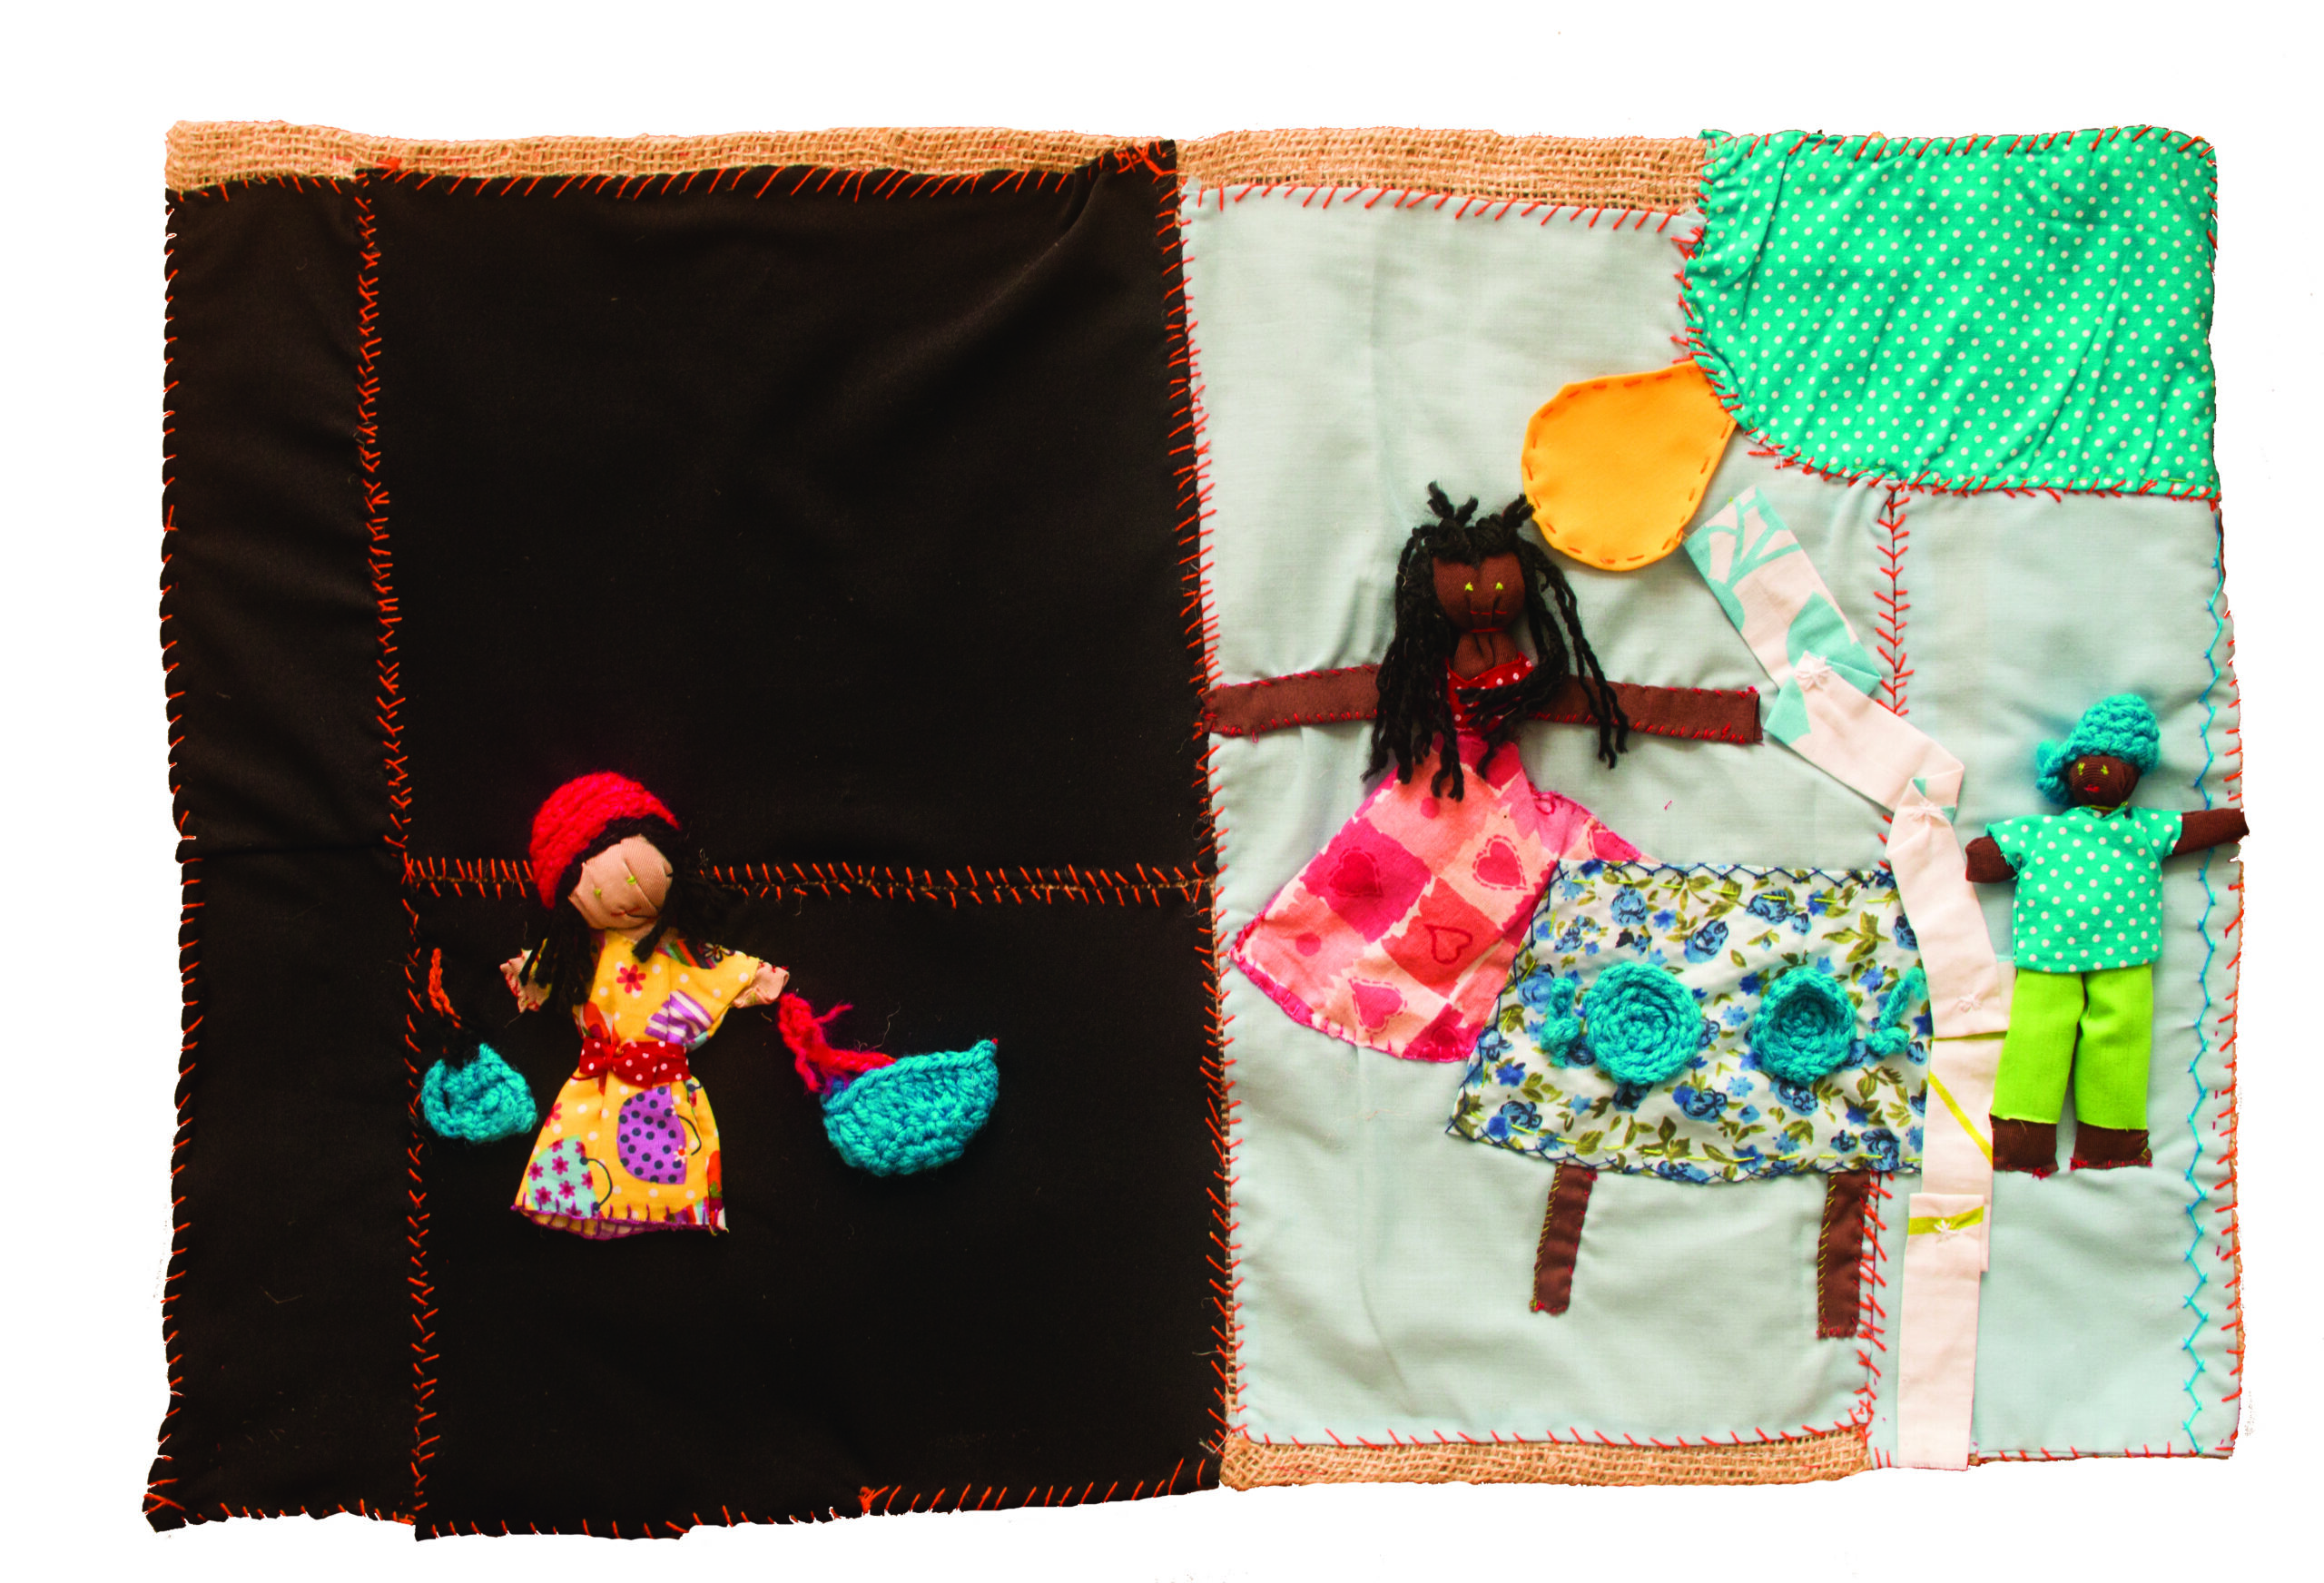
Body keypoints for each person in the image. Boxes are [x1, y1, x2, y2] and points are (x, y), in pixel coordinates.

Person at [1232, 486, 1640, 1063]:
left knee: (1501, 850)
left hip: (1482, 765)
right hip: (1445, 769)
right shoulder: (1431, 662)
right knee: (1398, 860)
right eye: (1468, 591)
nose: (1485, 602)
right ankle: (1342, 970)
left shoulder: (1512, 660)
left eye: (1499, 589)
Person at [1965, 695, 2247, 1174]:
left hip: (2125, 955)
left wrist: (2236, 820)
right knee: (2037, 1036)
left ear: (2133, 775)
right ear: (2071, 771)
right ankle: (2022, 1141)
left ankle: (2110, 1140)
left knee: (2120, 1040)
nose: (2096, 771)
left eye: (2112, 762)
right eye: (2087, 761)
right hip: (2049, 954)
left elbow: (2194, 827)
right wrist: (1984, 856)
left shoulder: (2145, 829)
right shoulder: (2045, 831)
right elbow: (1989, 857)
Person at [501, 773, 788, 1237]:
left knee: (667, 1155)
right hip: (595, 1082)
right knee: (583, 1157)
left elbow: (722, 968)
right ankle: (585, 1200)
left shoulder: (680, 950)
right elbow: (545, 969)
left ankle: (657, 1204)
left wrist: (756, 978)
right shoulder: (582, 952)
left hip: (663, 1086)